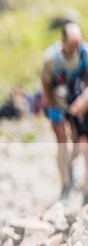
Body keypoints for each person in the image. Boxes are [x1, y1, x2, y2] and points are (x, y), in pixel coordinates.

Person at [41, 22, 88, 199]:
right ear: (63, 41)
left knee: (80, 141)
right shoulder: (51, 58)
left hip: (78, 102)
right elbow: (45, 85)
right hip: (56, 102)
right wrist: (52, 108)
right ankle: (66, 182)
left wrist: (82, 103)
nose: (75, 48)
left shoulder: (85, 53)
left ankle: (74, 169)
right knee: (61, 140)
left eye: (78, 44)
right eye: (71, 45)